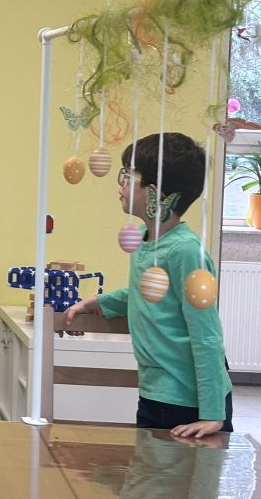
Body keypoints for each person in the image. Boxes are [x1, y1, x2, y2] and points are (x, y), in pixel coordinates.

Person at [64, 132, 232, 438]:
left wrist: (212, 414)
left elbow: (206, 335)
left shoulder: (185, 252)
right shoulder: (145, 241)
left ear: (154, 193)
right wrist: (95, 303)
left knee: (181, 470)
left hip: (190, 402)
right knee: (149, 468)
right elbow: (143, 293)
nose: (120, 185)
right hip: (155, 392)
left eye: (128, 176)